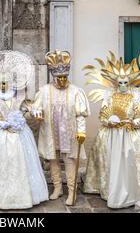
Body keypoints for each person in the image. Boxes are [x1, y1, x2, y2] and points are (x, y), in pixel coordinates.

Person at [83, 51, 140, 212]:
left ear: (130, 82)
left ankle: (132, 194)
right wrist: (109, 121)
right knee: (112, 162)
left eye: (125, 82)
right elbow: (103, 115)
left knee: (132, 163)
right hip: (111, 136)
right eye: (119, 82)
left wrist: (131, 122)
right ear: (116, 83)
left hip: (130, 136)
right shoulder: (109, 96)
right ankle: (111, 192)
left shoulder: (137, 97)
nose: (122, 85)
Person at [0, 50, 48, 209]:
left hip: (20, 136)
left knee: (20, 166)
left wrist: (30, 114)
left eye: (5, 82)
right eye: (0, 82)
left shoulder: (19, 96)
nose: (3, 85)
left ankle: (21, 197)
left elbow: (26, 113)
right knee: (0, 166)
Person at [31, 50, 90, 206]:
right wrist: (37, 113)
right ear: (54, 77)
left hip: (69, 133)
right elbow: (35, 108)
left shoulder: (76, 92)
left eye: (65, 77)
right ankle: (57, 188)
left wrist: (81, 131)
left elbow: (81, 114)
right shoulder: (44, 91)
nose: (62, 80)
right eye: (59, 78)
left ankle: (72, 191)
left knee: (70, 160)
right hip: (51, 132)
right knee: (53, 160)